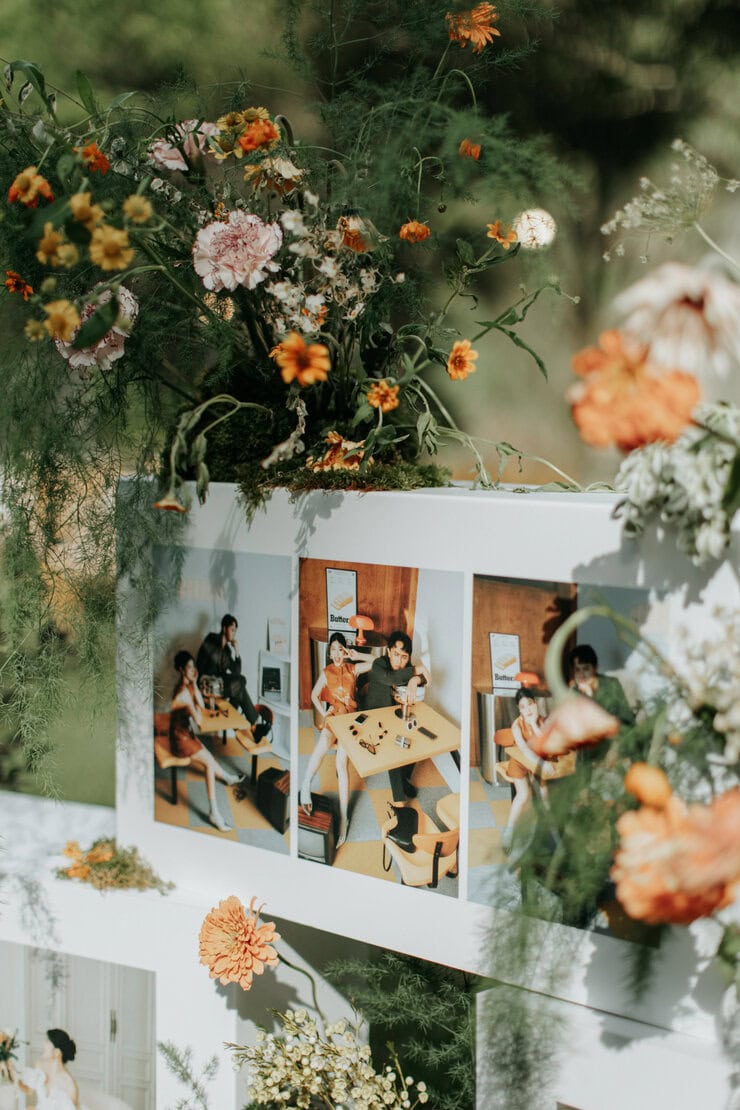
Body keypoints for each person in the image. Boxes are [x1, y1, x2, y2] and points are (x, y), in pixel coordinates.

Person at [300, 633, 372, 847]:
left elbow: (376, 662)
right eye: (334, 650)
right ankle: (305, 784)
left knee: (341, 763)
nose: (338, 654)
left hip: (349, 720)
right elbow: (314, 696)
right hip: (333, 717)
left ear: (345, 651)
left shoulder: (353, 669)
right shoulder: (326, 672)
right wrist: (324, 712)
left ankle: (343, 818)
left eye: (341, 649)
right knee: (323, 743)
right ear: (329, 652)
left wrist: (356, 655)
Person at [169, 649, 240, 832]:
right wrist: (202, 711)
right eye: (189, 667)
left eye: (194, 666)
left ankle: (227, 777)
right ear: (181, 670)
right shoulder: (182, 693)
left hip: (185, 733)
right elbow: (200, 721)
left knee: (208, 755)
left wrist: (195, 683)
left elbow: (200, 705)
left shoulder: (188, 686)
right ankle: (214, 812)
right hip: (179, 739)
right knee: (208, 762)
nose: (193, 670)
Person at [499, 688, 570, 850]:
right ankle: (509, 833)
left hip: (538, 763)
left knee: (545, 796)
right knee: (523, 795)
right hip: (521, 762)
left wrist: (534, 725)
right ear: (519, 709)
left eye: (530, 704)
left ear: (536, 704)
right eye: (523, 707)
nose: (528, 709)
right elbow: (525, 750)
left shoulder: (544, 721)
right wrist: (542, 764)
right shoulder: (517, 725)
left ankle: (551, 833)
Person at [363, 630, 431, 801]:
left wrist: (415, 680)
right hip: (375, 716)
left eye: (404, 657)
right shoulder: (379, 664)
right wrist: (416, 670)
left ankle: (403, 779)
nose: (399, 661)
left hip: (396, 717)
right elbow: (390, 678)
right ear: (388, 652)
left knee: (417, 741)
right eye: (396, 654)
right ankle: (399, 803)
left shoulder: (407, 669)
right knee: (394, 752)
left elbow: (425, 679)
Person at [196, 614, 271, 742]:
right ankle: (250, 723)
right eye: (232, 629)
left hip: (218, 683)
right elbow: (203, 663)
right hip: (206, 682)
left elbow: (237, 671)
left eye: (235, 630)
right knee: (239, 684)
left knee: (241, 680)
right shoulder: (212, 639)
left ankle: (250, 723)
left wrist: (236, 650)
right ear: (224, 628)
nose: (234, 633)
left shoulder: (227, 650)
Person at [16, 1029, 86, 1110]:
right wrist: (15, 1078)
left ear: (57, 1052)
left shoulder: (70, 1085)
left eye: (48, 1042)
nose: (44, 1044)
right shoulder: (40, 1065)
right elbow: (29, 1091)